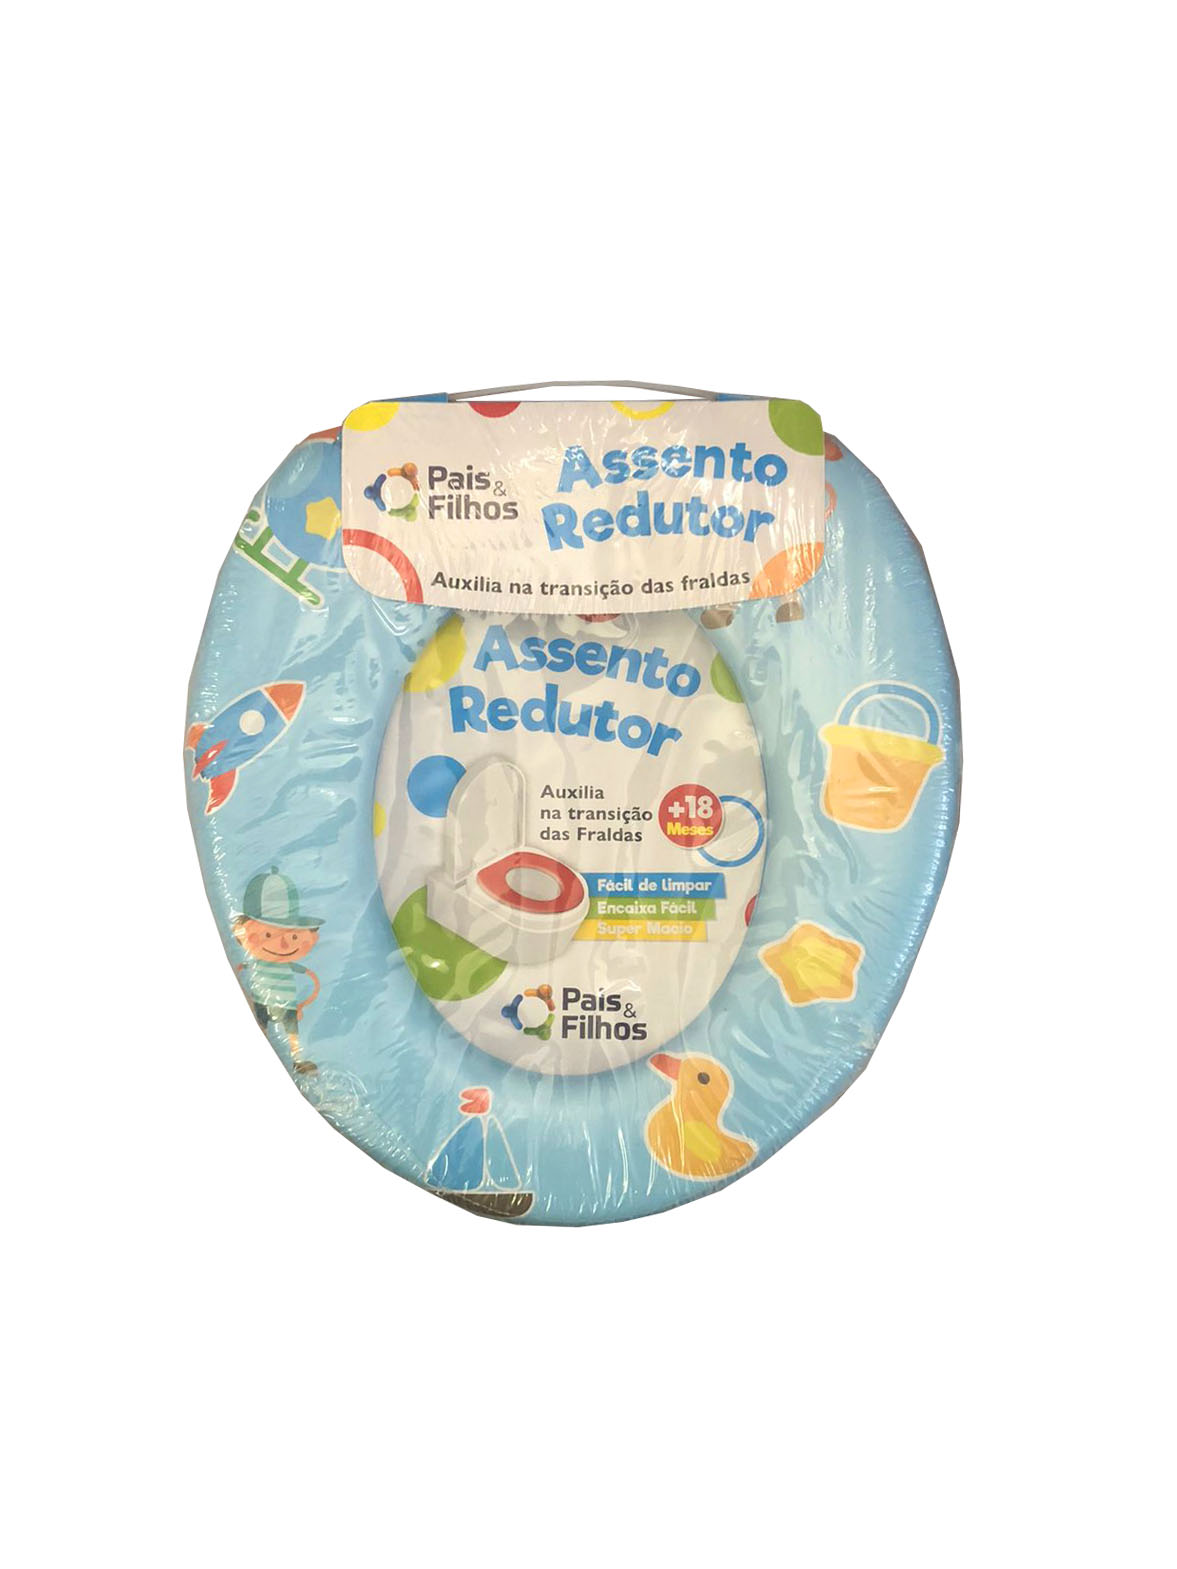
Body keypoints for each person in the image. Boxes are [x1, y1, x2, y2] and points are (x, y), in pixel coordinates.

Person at [231, 867, 323, 1074]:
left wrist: (302, 1003)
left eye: (293, 937)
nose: (282, 944)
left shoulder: (267, 963)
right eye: (268, 935)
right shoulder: (255, 961)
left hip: (287, 1002)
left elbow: (311, 978)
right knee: (264, 1025)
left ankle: (298, 1059)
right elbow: (311, 978)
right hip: (262, 1000)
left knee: (291, 1032)